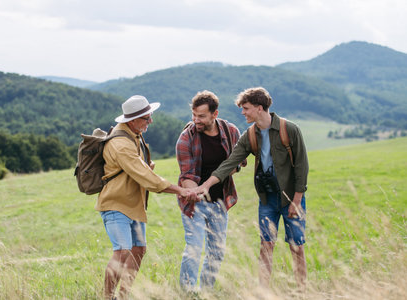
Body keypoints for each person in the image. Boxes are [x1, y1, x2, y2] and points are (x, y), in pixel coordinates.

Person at [194, 87, 309, 289]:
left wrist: (297, 200)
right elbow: (230, 162)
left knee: (296, 247)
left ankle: (302, 291)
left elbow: (302, 165)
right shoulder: (250, 135)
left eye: (246, 108)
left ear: (259, 108)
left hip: (292, 198)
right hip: (267, 199)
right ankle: (263, 291)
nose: (243, 113)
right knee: (266, 246)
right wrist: (206, 185)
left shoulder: (289, 129)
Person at [96, 95, 198, 300]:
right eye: (146, 118)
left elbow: (138, 170)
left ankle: (123, 296)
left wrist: (146, 168)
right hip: (116, 204)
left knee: (139, 250)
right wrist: (181, 191)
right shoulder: (121, 144)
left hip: (133, 204)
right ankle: (107, 298)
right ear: (132, 120)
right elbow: (147, 179)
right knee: (123, 251)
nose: (150, 121)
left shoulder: (134, 134)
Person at [176, 90, 245, 291]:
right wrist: (195, 193)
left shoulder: (231, 132)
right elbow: (187, 174)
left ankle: (207, 291)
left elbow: (239, 162)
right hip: (194, 203)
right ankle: (187, 292)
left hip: (220, 201)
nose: (196, 120)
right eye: (194, 115)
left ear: (214, 114)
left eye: (201, 116)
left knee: (216, 252)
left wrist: (217, 179)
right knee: (194, 248)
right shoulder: (186, 138)